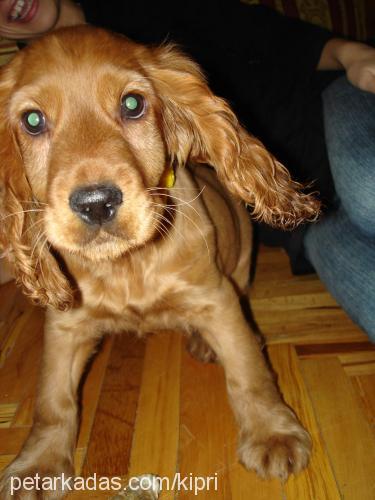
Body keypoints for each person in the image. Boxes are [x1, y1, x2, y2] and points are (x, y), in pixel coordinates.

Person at [1, 0, 374, 341]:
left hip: (320, 109)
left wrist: (351, 54)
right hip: (288, 215)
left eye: (132, 104)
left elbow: (270, 33)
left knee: (369, 193)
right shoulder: (17, 94)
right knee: (334, 249)